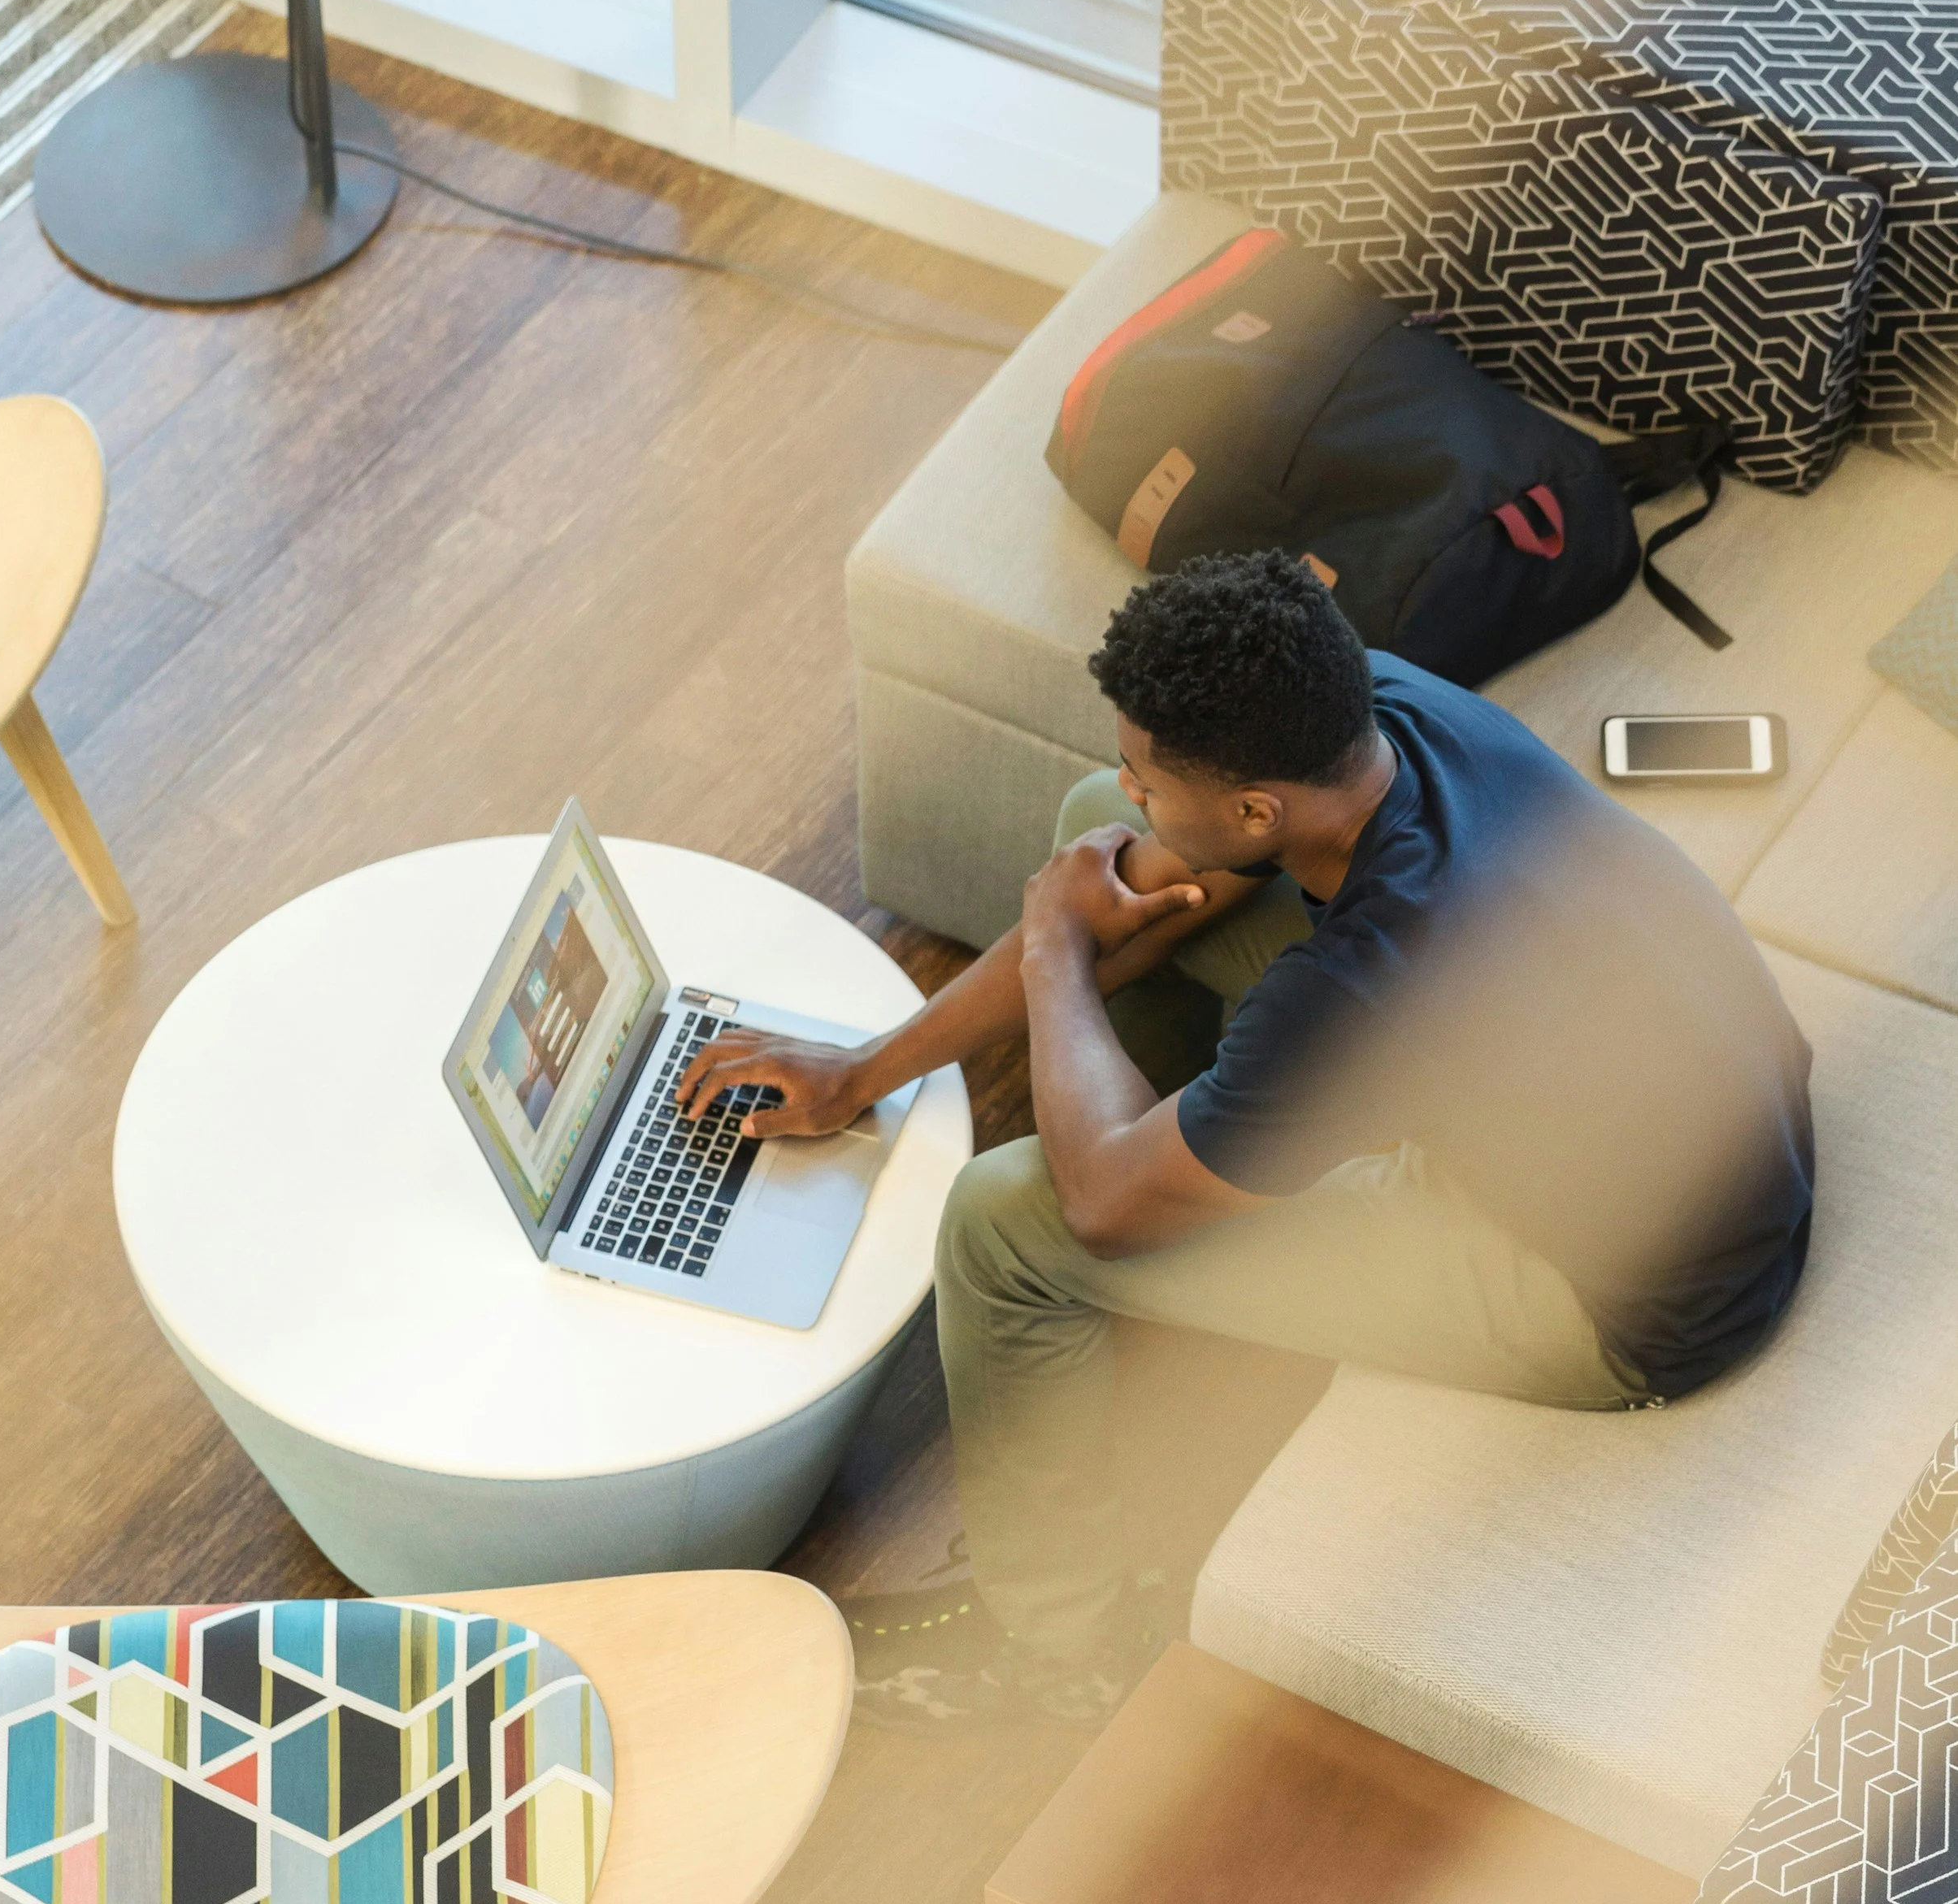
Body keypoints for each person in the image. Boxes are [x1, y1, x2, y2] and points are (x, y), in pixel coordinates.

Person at [678, 552, 1816, 1728]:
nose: (1131, 784)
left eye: (1150, 773)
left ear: (1260, 809)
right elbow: (1144, 864)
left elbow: (1100, 1202)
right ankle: (1194, 1158)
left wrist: (1053, 952)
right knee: (1091, 836)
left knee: (1002, 1223)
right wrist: (864, 1071)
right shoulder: (1375, 709)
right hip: (1703, 1119)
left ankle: (1054, 1645)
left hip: (1622, 1295)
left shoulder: (1375, 974)